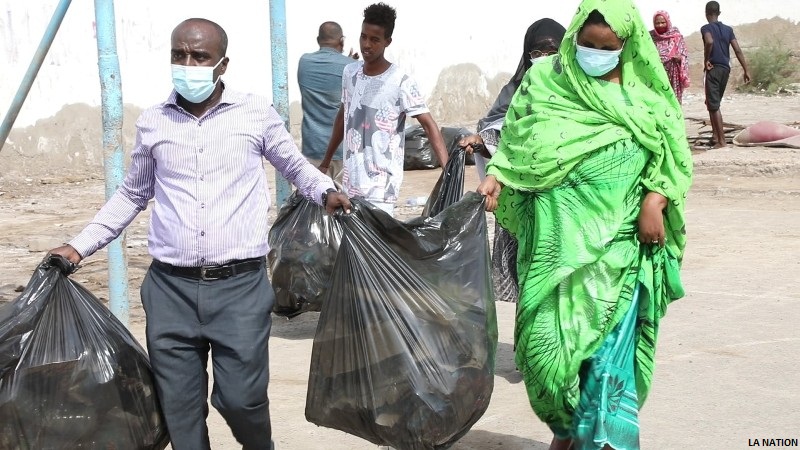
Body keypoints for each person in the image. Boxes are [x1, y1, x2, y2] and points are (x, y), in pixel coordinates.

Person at [48, 18, 351, 450]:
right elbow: (132, 194)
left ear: (222, 64)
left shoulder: (255, 113)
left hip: (240, 289)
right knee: (181, 412)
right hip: (170, 290)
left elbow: (294, 165)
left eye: (200, 56)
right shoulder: (154, 122)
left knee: (241, 399)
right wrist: (78, 247)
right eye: (179, 55)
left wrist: (326, 192)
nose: (187, 64)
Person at [475, 0, 692, 448]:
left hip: (618, 256)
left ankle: (592, 439)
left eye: (607, 47)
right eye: (586, 44)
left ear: (627, 46)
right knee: (544, 360)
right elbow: (517, 139)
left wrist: (656, 197)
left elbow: (673, 157)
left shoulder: (648, 99)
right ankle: (571, 434)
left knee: (604, 371)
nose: (594, 53)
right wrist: (498, 175)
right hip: (554, 252)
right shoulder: (545, 81)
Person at [459, 18, 566, 303]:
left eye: (551, 52)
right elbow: (503, 137)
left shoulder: (578, 93)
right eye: (536, 53)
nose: (543, 60)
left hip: (564, 204)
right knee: (529, 286)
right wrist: (481, 143)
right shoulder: (518, 93)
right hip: (522, 205)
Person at [318, 2, 449, 217]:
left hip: (382, 186)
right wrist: (325, 162)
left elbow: (428, 124)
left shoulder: (400, 82)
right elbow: (343, 116)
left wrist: (447, 169)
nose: (366, 45)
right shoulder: (350, 73)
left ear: (388, 41)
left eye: (375, 39)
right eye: (363, 37)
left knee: (376, 245)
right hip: (351, 182)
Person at [298, 21, 359, 183]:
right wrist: (350, 62)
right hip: (343, 150)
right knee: (344, 204)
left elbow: (328, 73)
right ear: (342, 41)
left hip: (313, 148)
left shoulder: (304, 62)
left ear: (319, 40)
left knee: (316, 203)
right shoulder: (352, 66)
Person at [702, 0, 751, 148]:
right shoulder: (728, 30)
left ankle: (722, 142)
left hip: (713, 68)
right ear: (719, 13)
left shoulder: (706, 28)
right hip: (725, 69)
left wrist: (706, 60)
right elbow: (737, 50)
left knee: (713, 106)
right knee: (713, 102)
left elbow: (709, 42)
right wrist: (746, 70)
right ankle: (716, 137)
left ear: (706, 14)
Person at [650, 10, 690, 104]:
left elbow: (684, 55)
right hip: (656, 74)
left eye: (663, 22)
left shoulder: (676, 36)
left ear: (667, 22)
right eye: (657, 23)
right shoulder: (650, 37)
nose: (660, 25)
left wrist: (680, 58)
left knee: (673, 100)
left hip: (673, 74)